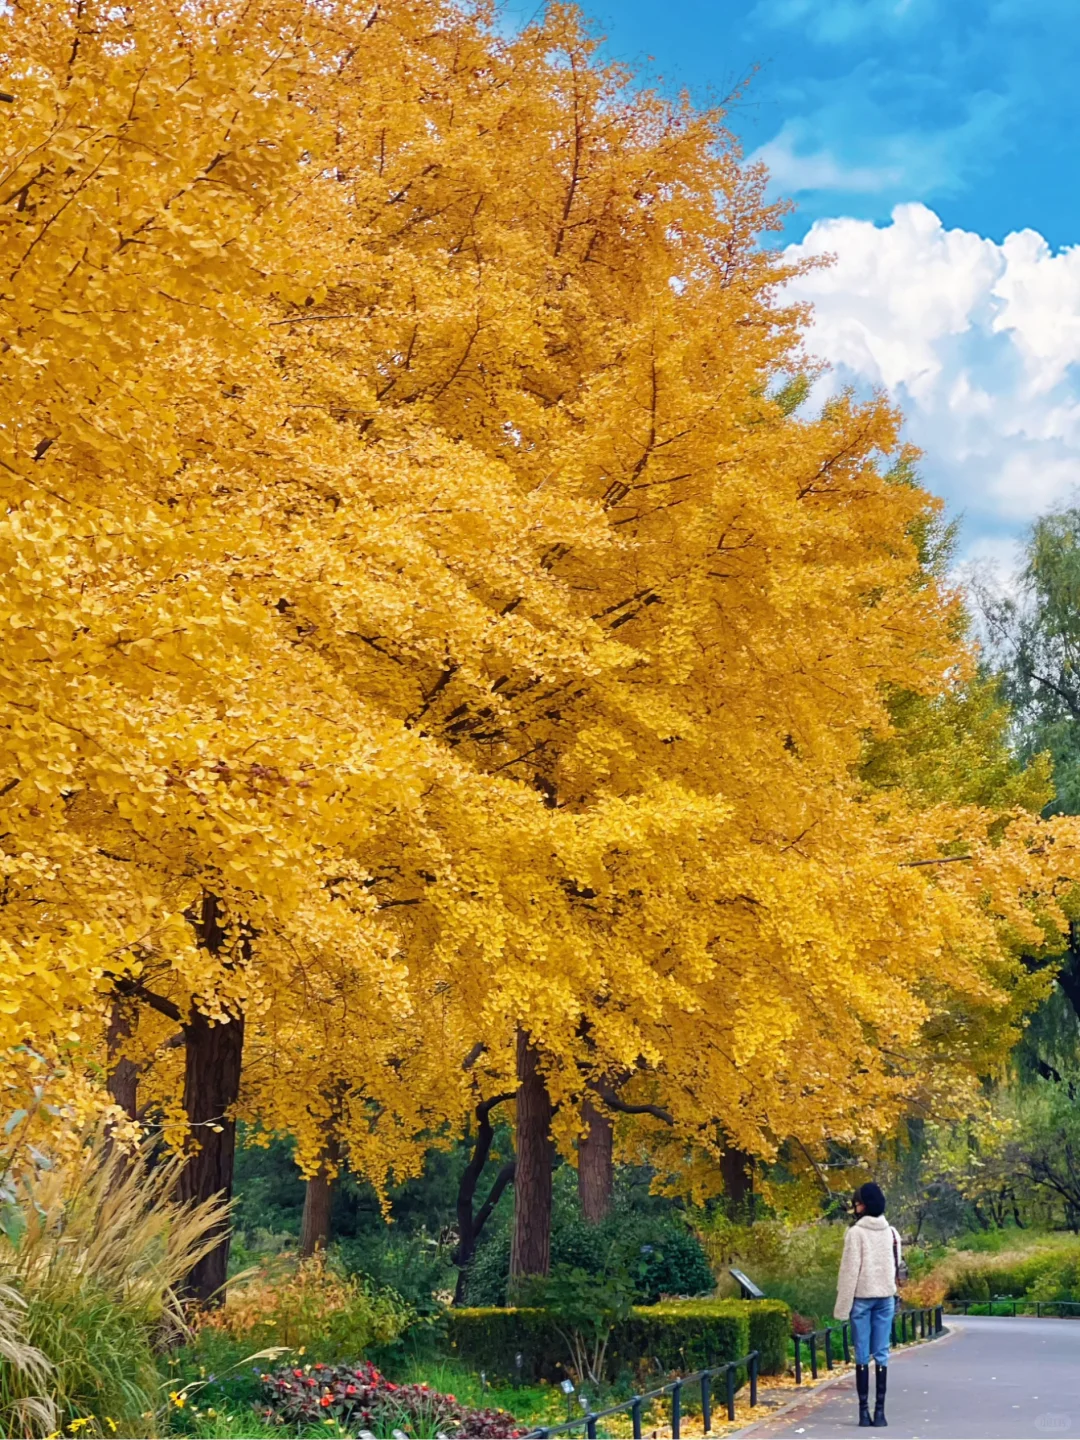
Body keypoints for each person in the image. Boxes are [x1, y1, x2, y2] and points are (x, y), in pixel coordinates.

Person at [834, 1182, 901, 1428]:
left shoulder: (855, 1234)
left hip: (861, 1299)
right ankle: (880, 1413)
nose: (856, 1207)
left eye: (858, 1203)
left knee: (862, 1354)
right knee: (882, 1353)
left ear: (865, 1205)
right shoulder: (892, 1233)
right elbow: (897, 1265)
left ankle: (863, 1412)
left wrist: (842, 1307)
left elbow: (849, 1273)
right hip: (885, 1298)